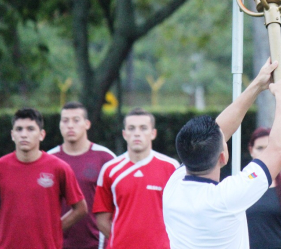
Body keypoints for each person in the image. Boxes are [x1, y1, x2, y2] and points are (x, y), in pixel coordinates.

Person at [162, 59, 281, 249]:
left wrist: (258, 84)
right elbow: (280, 149)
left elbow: (217, 131)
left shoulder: (173, 186)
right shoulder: (226, 198)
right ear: (223, 157)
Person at [0, 108, 87, 249]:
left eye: (30, 129)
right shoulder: (2, 167)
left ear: (41, 135)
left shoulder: (59, 167)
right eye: (19, 129)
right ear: (12, 135)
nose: (24, 134)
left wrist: (55, 228)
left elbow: (80, 208)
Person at [93, 108, 179, 249]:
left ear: (153, 133)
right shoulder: (110, 169)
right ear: (124, 134)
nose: (137, 133)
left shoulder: (171, 167)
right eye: (131, 128)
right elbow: (102, 219)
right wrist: (123, 240)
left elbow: (180, 213)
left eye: (143, 128)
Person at [48, 101, 116, 249]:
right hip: (57, 244)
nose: (70, 125)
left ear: (87, 124)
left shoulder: (106, 158)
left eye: (76, 120)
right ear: (59, 125)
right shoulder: (49, 160)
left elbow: (118, 202)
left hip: (97, 243)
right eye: (65, 120)